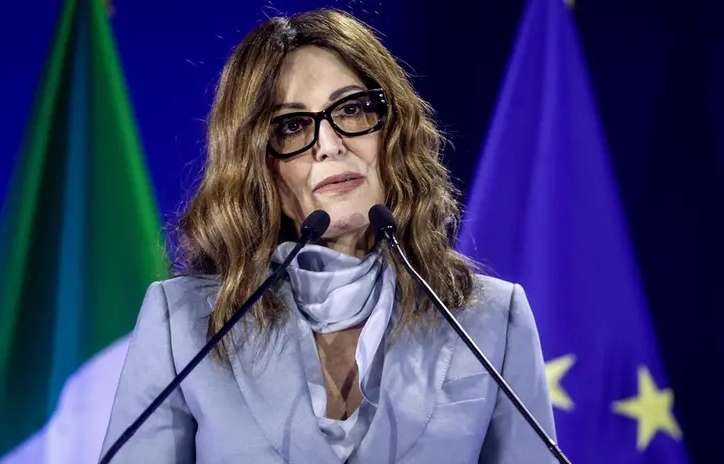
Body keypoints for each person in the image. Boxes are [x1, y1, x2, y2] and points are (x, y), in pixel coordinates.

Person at [100, 8, 556, 464]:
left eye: (352, 110)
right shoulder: (185, 325)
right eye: (292, 126)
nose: (331, 145)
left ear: (392, 129)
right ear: (256, 162)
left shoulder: (491, 320)